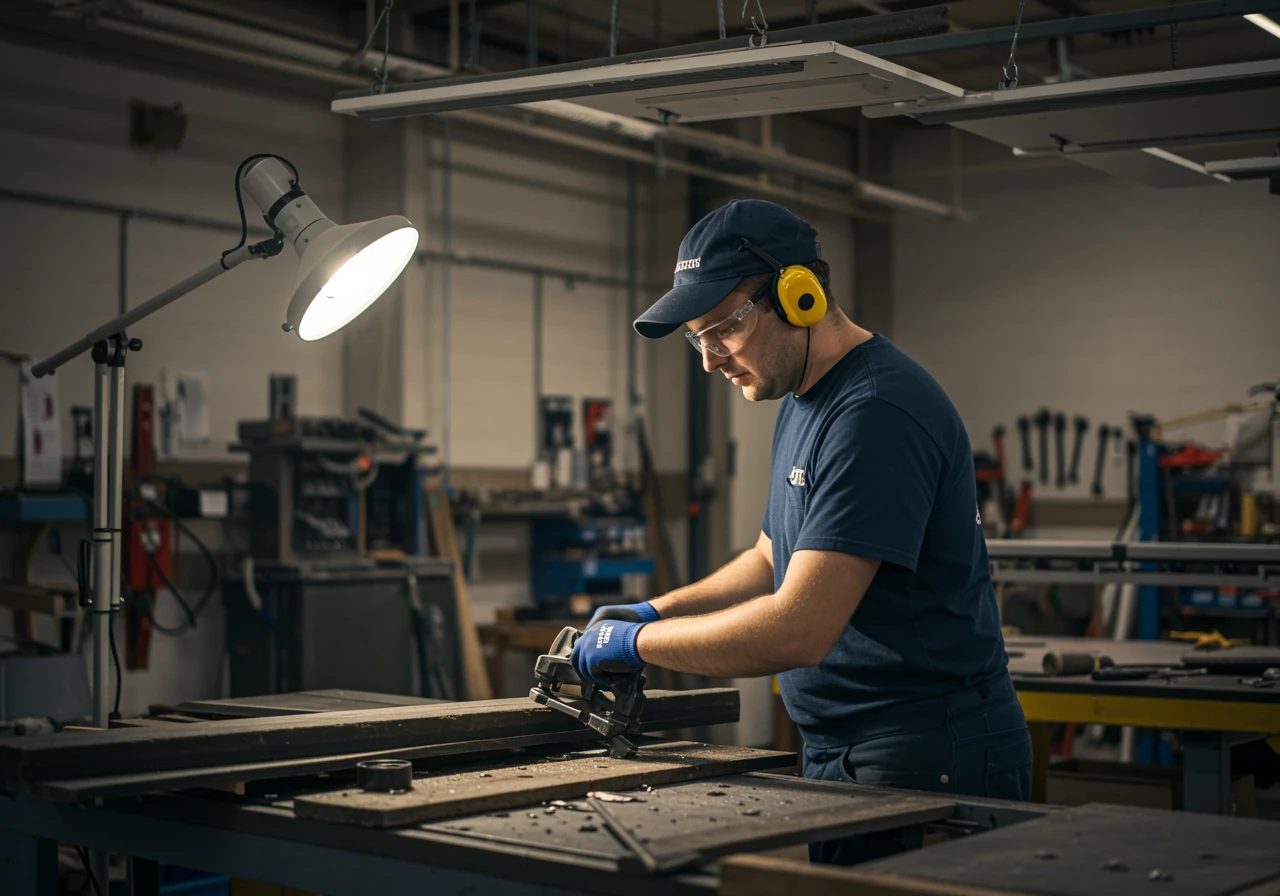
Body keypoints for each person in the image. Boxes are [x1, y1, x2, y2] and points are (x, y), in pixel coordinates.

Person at [570, 199, 1031, 864]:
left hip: (926, 754)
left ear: (799, 295)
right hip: (848, 749)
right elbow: (771, 555)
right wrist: (653, 610)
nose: (710, 361)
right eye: (697, 339)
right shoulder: (805, 398)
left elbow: (799, 628)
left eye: (721, 330)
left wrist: (636, 644)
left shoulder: (875, 412)